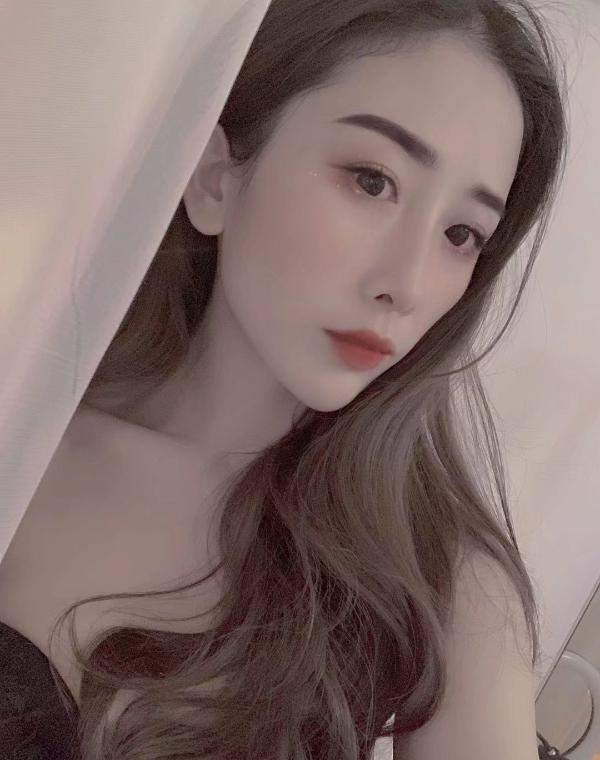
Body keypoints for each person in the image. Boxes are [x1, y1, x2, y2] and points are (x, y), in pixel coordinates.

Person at [0, 0, 569, 758]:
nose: (405, 283)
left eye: (460, 234)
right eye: (372, 180)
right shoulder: (25, 434)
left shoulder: (443, 584)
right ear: (215, 178)